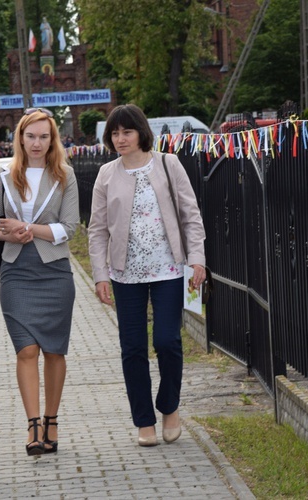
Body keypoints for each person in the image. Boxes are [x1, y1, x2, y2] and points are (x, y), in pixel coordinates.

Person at [87, 104, 206, 447]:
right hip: (125, 275)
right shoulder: (106, 174)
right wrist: (99, 275)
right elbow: (97, 230)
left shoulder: (168, 164)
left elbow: (190, 215)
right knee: (133, 348)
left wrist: (196, 259)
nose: (120, 139)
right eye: (115, 133)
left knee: (167, 341)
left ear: (141, 132)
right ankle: (144, 420)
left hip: (169, 269)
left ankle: (169, 407)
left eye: (127, 132)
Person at [0, 108, 79, 456]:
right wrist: (3, 230)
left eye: (44, 136)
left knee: (54, 350)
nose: (37, 143)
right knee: (26, 349)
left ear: (52, 139)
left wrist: (28, 229)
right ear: (20, 138)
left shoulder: (64, 176)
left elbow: (70, 229)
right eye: (31, 136)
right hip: (16, 271)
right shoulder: (4, 176)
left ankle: (52, 420)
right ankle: (32, 427)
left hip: (54, 272)